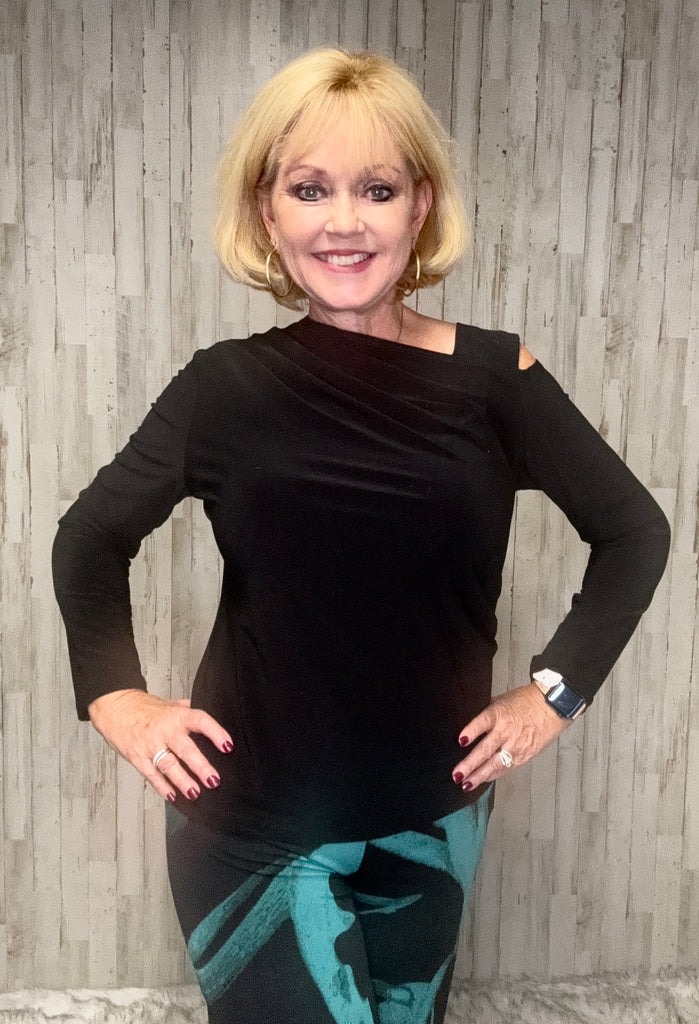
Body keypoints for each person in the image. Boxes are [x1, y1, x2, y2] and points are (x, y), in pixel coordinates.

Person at [53, 48, 670, 1024]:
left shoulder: (496, 378)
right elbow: (89, 539)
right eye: (309, 189)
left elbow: (633, 530)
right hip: (251, 824)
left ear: (419, 207)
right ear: (268, 213)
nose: (343, 221)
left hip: (434, 818)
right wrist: (116, 696)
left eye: (376, 189)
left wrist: (554, 693)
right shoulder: (222, 388)